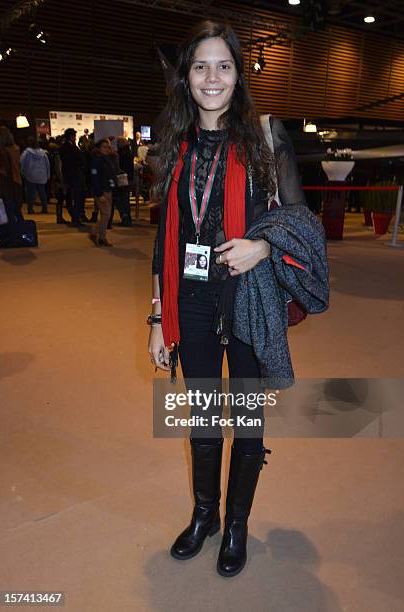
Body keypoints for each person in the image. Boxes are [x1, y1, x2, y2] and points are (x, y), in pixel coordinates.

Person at [148, 21, 328, 578]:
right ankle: (204, 515)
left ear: (237, 75)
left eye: (223, 65)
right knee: (203, 420)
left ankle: (237, 525)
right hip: (193, 302)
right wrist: (159, 317)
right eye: (200, 66)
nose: (211, 77)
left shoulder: (267, 136)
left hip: (250, 302)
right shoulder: (174, 145)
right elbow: (165, 240)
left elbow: (301, 221)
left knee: (247, 424)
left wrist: (262, 245)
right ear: (186, 78)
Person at [89, 138, 116, 247]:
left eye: (108, 147)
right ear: (99, 148)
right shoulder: (96, 160)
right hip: (101, 191)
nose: (106, 149)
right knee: (106, 214)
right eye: (104, 147)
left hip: (108, 189)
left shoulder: (108, 158)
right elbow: (94, 178)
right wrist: (99, 194)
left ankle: (97, 234)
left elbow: (111, 174)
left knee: (105, 215)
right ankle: (100, 236)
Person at [0, 126, 24, 224]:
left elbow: (2, 170)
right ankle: (21, 235)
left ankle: (12, 237)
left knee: (9, 213)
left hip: (6, 184)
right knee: (16, 212)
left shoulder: (2, 151)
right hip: (17, 183)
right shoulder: (15, 149)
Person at [59, 128, 86, 226]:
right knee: (78, 197)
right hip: (76, 174)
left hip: (67, 174)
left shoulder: (62, 147)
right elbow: (81, 160)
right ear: (71, 136)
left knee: (70, 197)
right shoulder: (73, 147)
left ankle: (74, 217)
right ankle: (76, 218)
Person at [20, 137, 50, 214]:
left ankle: (30, 208)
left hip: (30, 175)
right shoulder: (43, 153)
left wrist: (23, 173)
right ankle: (44, 208)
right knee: (42, 193)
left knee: (30, 193)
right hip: (41, 175)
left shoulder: (26, 152)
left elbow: (22, 163)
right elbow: (47, 164)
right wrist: (47, 174)